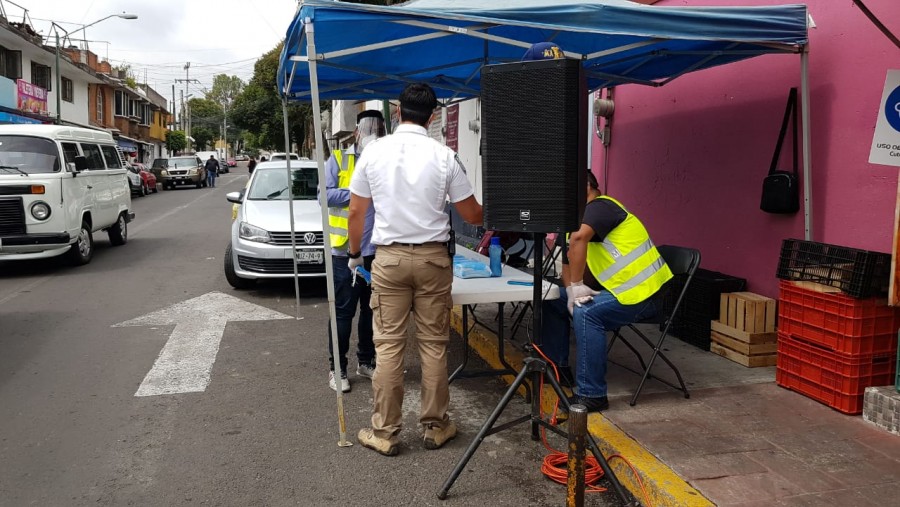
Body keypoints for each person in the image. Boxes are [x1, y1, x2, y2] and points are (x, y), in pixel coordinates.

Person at [347, 83, 483, 456]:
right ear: (434, 115)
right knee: (434, 346)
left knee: (388, 346)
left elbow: (357, 212)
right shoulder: (445, 156)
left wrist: (356, 254)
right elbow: (472, 214)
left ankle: (385, 433)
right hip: (432, 259)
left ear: (397, 112)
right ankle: (436, 427)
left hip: (388, 259)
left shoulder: (373, 153)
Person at [541, 170, 673, 413]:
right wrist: (570, 291)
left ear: (587, 187)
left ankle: (592, 395)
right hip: (617, 292)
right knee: (552, 298)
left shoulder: (601, 207)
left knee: (587, 313)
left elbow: (578, 240)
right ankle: (558, 369)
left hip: (646, 294)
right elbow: (568, 263)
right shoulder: (574, 221)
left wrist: (578, 287)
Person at [324, 110, 386, 393]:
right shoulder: (338, 159)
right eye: (368, 128)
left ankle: (366, 360)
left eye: (377, 128)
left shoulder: (386, 161)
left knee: (371, 311)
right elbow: (323, 196)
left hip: (378, 249)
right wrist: (357, 191)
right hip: (344, 252)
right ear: (357, 132)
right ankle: (337, 369)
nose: (372, 133)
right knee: (342, 313)